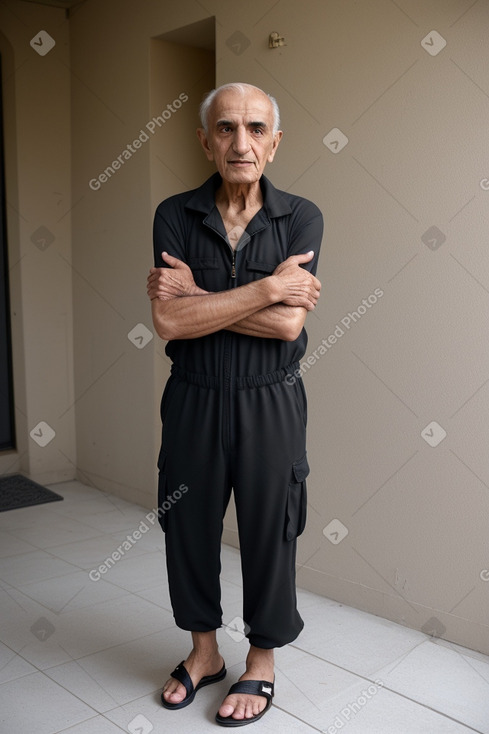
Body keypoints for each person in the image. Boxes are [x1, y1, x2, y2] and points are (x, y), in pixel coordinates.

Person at [147, 82, 323, 727]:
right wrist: (270, 288)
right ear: (205, 141)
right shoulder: (174, 213)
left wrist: (203, 299)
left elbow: (287, 330)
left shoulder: (301, 217)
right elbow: (168, 322)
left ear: (274, 143)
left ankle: (261, 659)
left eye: (254, 129)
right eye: (225, 129)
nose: (239, 142)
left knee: (270, 528)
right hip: (191, 398)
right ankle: (202, 654)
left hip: (269, 401)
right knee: (186, 526)